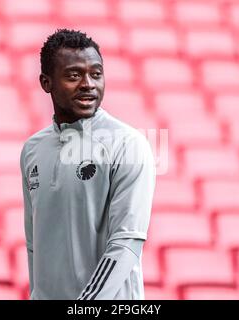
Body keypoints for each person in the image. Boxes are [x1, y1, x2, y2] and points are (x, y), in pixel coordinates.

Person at [20, 29, 156, 300]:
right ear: (46, 83)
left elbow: (126, 243)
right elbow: (34, 243)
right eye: (73, 75)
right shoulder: (32, 150)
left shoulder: (127, 144)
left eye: (96, 73)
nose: (88, 84)